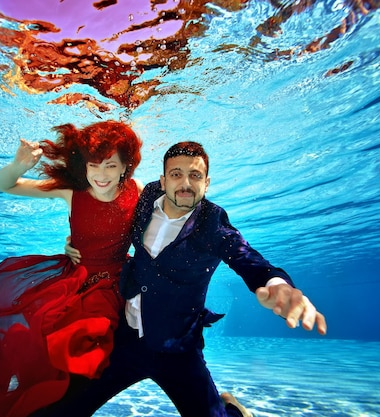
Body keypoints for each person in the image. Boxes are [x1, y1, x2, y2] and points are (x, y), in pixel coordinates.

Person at [38, 141, 327, 417]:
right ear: (162, 181)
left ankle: (233, 409)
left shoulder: (213, 225)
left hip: (177, 350)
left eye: (195, 175)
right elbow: (111, 225)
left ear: (207, 182)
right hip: (124, 341)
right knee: (64, 410)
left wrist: (276, 283)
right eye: (176, 174)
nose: (185, 184)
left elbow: (248, 259)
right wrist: (78, 243)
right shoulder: (146, 197)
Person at [0, 120, 143, 417]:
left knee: (89, 352)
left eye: (110, 166)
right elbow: (2, 184)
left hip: (116, 282)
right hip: (74, 279)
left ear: (125, 166)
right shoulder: (73, 192)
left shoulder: (138, 191)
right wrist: (19, 165)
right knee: (43, 347)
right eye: (93, 165)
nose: (101, 175)